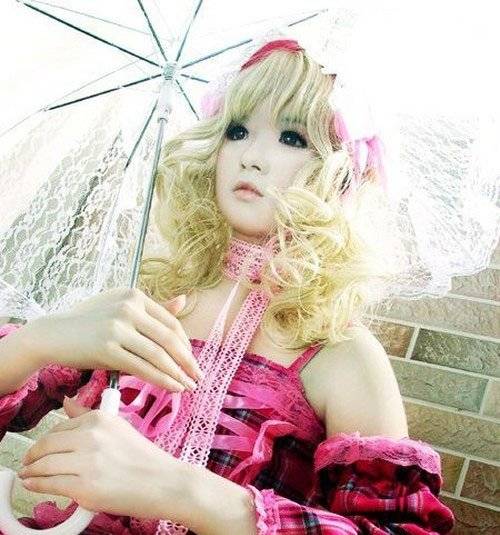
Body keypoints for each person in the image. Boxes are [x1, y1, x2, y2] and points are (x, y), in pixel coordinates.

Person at [0, 38, 455, 534]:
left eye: (292, 137)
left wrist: (181, 490)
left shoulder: (342, 355)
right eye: (237, 130)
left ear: (342, 171)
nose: (251, 158)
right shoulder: (145, 302)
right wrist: (34, 342)